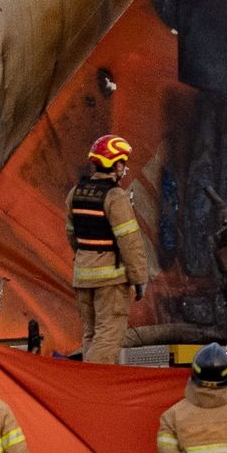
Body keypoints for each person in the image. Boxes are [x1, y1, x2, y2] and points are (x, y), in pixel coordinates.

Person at [66, 134, 149, 363]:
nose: (124, 168)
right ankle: (93, 388)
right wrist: (139, 277)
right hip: (110, 281)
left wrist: (87, 257)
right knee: (108, 337)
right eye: (123, 162)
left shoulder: (76, 193)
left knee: (91, 334)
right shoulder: (116, 197)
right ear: (115, 163)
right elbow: (129, 241)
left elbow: (71, 234)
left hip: (82, 275)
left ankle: (89, 381)